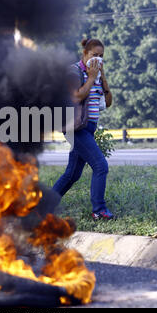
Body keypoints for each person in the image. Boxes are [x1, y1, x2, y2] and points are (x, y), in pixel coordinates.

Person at [52, 38, 115, 221]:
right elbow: (76, 96)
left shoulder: (96, 73)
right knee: (100, 166)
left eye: (101, 56)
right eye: (94, 55)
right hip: (75, 128)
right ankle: (99, 210)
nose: (98, 59)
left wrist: (102, 77)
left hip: (88, 128)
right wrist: (92, 77)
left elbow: (108, 102)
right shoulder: (74, 71)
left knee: (72, 174)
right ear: (85, 54)